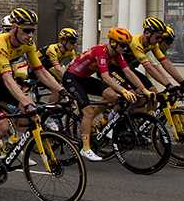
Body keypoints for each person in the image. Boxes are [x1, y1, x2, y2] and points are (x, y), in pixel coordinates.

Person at [0, 8, 68, 184]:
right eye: (26, 30)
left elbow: (41, 71)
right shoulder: (0, 41)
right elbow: (8, 78)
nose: (30, 35)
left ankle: (16, 146)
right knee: (2, 126)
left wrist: (61, 90)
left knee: (29, 110)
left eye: (32, 31)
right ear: (14, 28)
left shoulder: (28, 45)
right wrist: (25, 100)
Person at [62, 27, 148, 161]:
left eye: (127, 45)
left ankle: (93, 122)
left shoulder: (116, 54)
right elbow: (106, 77)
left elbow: (128, 73)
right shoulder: (101, 52)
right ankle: (85, 148)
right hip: (72, 78)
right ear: (113, 43)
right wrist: (124, 91)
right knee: (89, 111)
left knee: (112, 96)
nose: (125, 48)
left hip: (84, 78)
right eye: (123, 45)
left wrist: (144, 90)